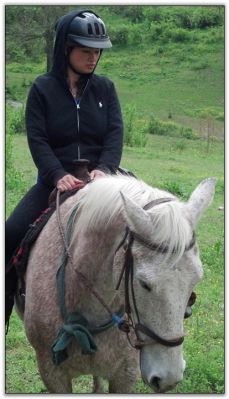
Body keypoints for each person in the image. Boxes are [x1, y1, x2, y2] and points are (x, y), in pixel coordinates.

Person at [5, 9, 124, 327]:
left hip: (104, 179)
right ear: (65, 49)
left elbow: (115, 134)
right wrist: (58, 175)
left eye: (97, 51)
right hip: (56, 179)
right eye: (86, 50)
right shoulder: (42, 89)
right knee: (9, 235)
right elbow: (38, 139)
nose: (93, 57)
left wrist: (106, 168)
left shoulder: (105, 89)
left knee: (151, 222)